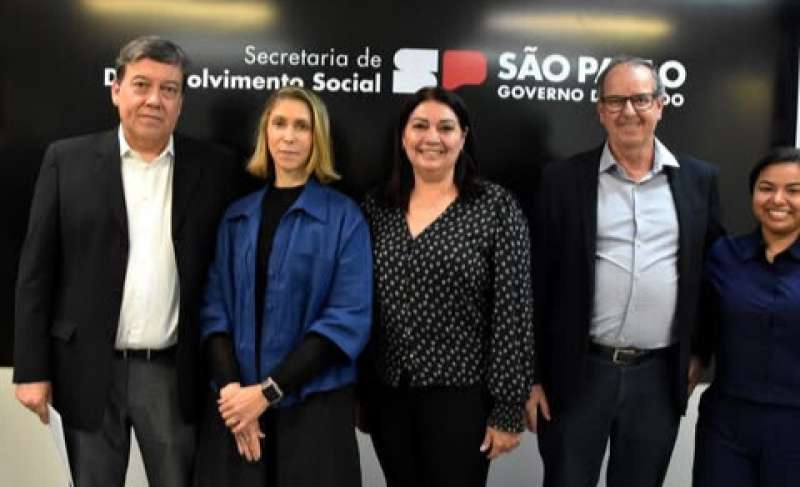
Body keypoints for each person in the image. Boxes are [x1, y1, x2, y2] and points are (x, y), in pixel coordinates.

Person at [13, 36, 243, 486]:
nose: (154, 99)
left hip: (173, 375)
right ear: (116, 90)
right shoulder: (66, 160)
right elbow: (36, 274)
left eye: (169, 89)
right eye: (141, 85)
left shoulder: (215, 169)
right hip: (86, 373)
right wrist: (31, 370)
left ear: (181, 102)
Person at [527, 55, 723, 487]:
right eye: (615, 101)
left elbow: (710, 275)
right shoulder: (561, 180)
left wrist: (699, 353)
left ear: (660, 105)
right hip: (577, 372)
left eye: (640, 99)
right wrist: (533, 376)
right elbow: (537, 283)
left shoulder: (697, 180)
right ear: (600, 110)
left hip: (657, 377)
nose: (628, 111)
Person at [195, 86, 372, 487]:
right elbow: (214, 311)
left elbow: (347, 320)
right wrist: (234, 395)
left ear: (317, 137)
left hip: (314, 412)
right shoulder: (236, 217)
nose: (289, 136)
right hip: (238, 411)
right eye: (279, 124)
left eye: (301, 126)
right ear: (266, 133)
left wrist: (266, 393)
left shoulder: (345, 219)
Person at [360, 86, 534, 487]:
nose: (431, 138)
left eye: (445, 127)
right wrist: (361, 393)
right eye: (419, 126)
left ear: (464, 136)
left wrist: (508, 408)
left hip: (462, 399)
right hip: (389, 394)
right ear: (403, 136)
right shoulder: (377, 207)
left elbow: (513, 313)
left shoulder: (495, 207)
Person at [692, 147, 800, 487]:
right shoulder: (724, 254)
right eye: (766, 188)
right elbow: (700, 320)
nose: (778, 200)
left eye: (794, 191)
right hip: (727, 424)